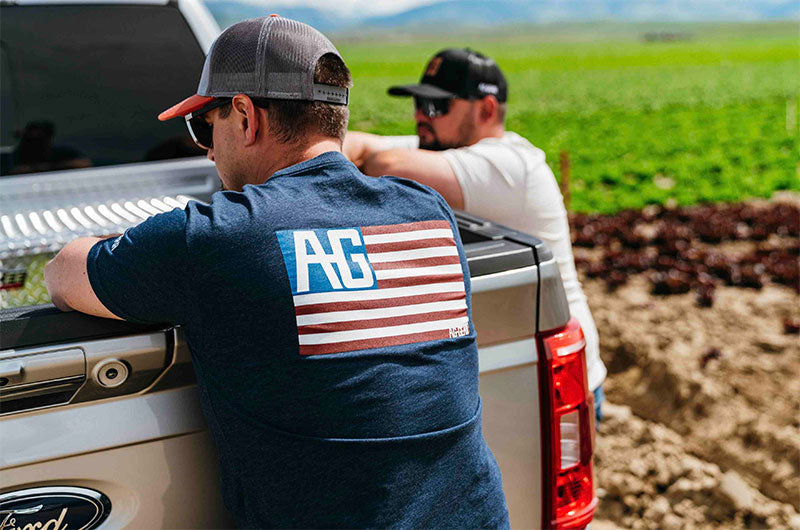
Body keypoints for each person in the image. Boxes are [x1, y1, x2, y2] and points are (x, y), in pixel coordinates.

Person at [43, 17, 508, 529]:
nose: (207, 147)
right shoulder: (427, 212)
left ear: (244, 115)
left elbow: (65, 274)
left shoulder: (217, 238)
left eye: (204, 126)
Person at [343, 48, 607, 419]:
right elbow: (355, 142)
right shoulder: (445, 148)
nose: (421, 116)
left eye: (436, 107)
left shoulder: (511, 164)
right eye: (419, 104)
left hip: (557, 375)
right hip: (520, 356)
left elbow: (383, 162)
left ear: (484, 110)